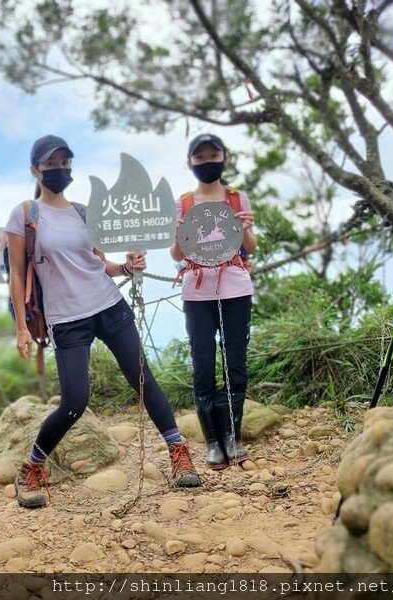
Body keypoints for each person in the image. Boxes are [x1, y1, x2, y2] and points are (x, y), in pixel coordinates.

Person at [5, 135, 202, 509]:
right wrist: (20, 327)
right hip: (66, 320)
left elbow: (99, 263)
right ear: (36, 169)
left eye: (65, 162)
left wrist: (127, 267)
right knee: (75, 401)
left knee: (143, 379)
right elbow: (16, 274)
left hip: (109, 306)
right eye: (50, 163)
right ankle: (32, 467)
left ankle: (179, 452)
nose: (59, 169)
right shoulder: (26, 214)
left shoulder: (82, 211)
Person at [169, 133, 257, 470]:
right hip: (197, 290)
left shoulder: (237, 197)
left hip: (236, 287)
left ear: (224, 157)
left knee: (235, 362)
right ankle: (211, 442)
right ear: (190, 162)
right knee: (203, 363)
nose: (207, 161)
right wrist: (180, 233)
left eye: (213, 154)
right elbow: (177, 253)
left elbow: (249, 247)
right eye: (200, 156)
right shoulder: (185, 202)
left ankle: (232, 437)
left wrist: (245, 227)